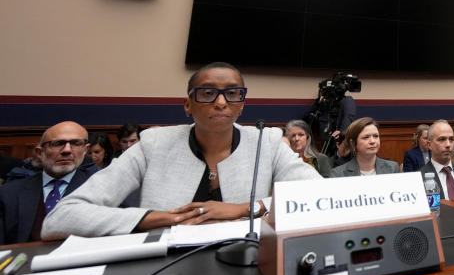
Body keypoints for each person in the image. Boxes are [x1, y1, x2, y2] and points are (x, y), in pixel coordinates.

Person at [43, 62, 320, 239]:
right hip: (161, 268)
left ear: (242, 104)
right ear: (188, 104)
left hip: (246, 264)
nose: (221, 102)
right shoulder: (153, 144)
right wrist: (156, 218)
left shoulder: (267, 142)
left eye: (233, 93)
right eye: (208, 93)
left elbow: (322, 198)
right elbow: (62, 217)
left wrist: (247, 208)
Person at [0, 121, 98, 244]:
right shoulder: (9, 194)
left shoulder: (101, 188)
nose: (67, 150)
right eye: (57, 144)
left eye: (75, 143)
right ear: (40, 153)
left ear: (85, 150)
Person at [330, 118, 400, 177]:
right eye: (366, 137)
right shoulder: (338, 174)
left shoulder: (393, 168)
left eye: (376, 136)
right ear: (353, 143)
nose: (372, 141)